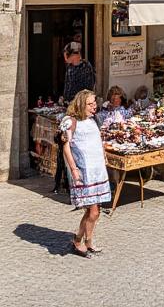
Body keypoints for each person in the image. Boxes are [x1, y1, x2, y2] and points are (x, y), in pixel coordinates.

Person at [60, 90, 110, 256]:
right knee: (94, 211)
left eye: (94, 103)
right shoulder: (71, 122)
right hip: (83, 172)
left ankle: (80, 240)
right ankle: (84, 241)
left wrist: (104, 156)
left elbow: (97, 141)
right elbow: (66, 147)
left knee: (92, 211)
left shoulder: (93, 119)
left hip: (97, 171)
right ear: (81, 104)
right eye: (90, 104)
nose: (93, 106)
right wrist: (74, 169)